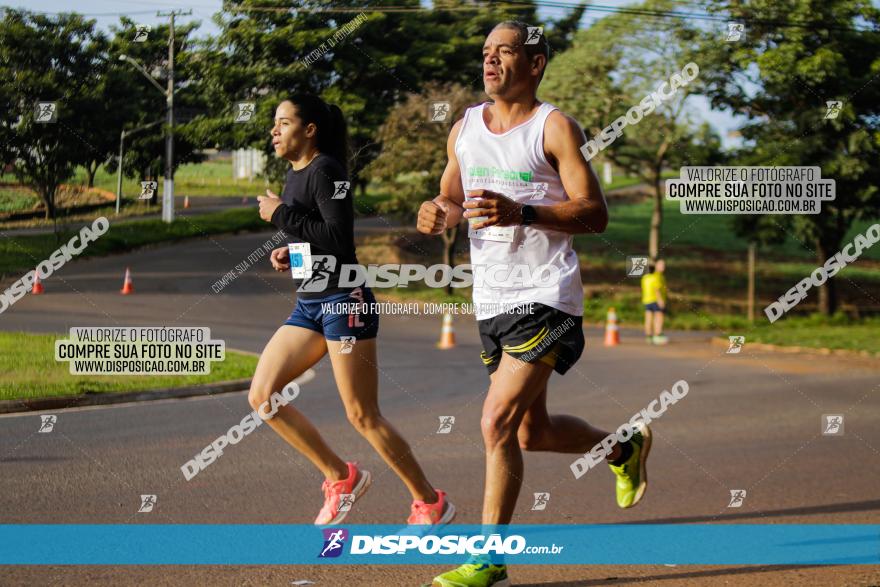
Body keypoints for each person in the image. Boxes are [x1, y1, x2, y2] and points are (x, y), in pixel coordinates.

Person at [416, 22, 651, 587]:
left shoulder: (555, 128)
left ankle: (489, 559)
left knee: (494, 422)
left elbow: (594, 213)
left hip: (548, 295)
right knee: (528, 434)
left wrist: (523, 212)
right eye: (486, 53)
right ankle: (624, 447)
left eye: (505, 52)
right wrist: (436, 212)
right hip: (491, 298)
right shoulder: (466, 127)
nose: (490, 61)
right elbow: (451, 197)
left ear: (537, 62)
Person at [254, 94, 455, 527]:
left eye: (284, 122)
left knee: (362, 414)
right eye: (274, 123)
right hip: (309, 302)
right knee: (262, 397)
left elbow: (340, 240)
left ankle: (429, 501)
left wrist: (280, 216)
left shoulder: (326, 170)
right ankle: (340, 476)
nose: (274, 130)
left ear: (309, 130)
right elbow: (319, 244)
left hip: (345, 302)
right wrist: (293, 255)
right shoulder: (295, 175)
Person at [641, 259, 668, 344]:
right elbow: (657, 289)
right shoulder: (657, 276)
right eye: (661, 265)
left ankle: (648, 336)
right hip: (655, 300)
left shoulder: (645, 277)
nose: (663, 267)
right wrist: (660, 300)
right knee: (659, 317)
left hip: (647, 300)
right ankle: (658, 334)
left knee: (648, 317)